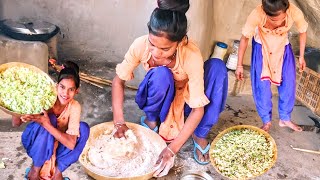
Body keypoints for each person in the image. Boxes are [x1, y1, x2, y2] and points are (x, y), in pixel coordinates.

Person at [112, 0, 228, 177]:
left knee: (218, 68)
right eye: (152, 44)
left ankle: (200, 133)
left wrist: (171, 150)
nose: (156, 52)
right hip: (160, 96)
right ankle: (152, 120)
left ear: (180, 42)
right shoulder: (140, 45)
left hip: (186, 100)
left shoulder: (191, 54)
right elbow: (118, 81)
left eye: (165, 48)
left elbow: (198, 109)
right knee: (161, 75)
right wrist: (119, 121)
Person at [235, 0, 308, 132]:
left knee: (288, 83)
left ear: (286, 9)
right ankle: (266, 121)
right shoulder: (256, 14)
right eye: (272, 19)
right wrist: (239, 65)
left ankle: (285, 118)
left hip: (283, 48)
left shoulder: (294, 11)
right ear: (264, 10)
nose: (276, 23)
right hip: (261, 49)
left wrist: (302, 56)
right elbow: (244, 38)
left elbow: (303, 31)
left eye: (279, 18)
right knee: (261, 87)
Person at [13, 61, 90, 180]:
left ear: (76, 91)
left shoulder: (74, 106)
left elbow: (71, 144)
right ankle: (35, 169)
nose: (65, 93)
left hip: (59, 145)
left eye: (71, 89)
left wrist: (46, 123)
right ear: (56, 85)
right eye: (62, 87)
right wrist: (19, 95)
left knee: (84, 129)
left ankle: (57, 172)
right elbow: (16, 123)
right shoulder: (45, 97)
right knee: (51, 118)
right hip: (38, 143)